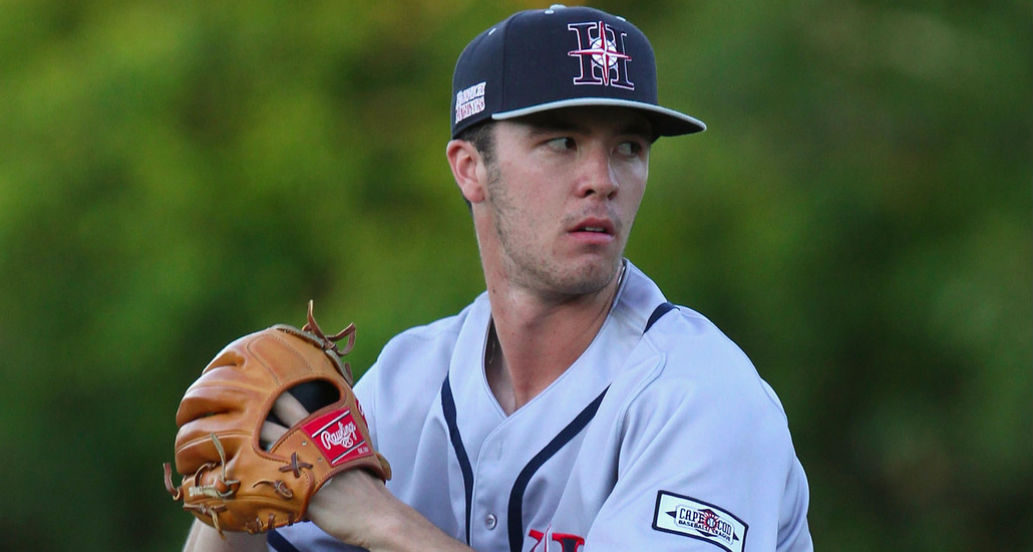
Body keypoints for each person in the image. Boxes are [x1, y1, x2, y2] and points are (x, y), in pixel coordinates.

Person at [183, 5, 813, 551]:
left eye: (628, 146)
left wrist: (385, 524)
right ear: (470, 168)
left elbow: (367, 518)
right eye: (562, 141)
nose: (603, 178)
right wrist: (229, 507)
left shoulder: (702, 400)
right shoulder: (407, 386)